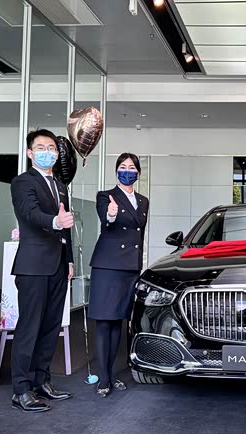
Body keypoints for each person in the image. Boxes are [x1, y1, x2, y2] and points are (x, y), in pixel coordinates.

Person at [10, 129, 74, 413]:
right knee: (29, 327)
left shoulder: (60, 185)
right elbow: (30, 213)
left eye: (51, 148)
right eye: (40, 147)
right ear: (30, 153)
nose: (47, 151)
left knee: (50, 327)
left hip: (58, 265)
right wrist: (55, 222)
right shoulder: (22, 182)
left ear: (57, 154)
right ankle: (21, 390)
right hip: (33, 265)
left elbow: (66, 223)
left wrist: (69, 260)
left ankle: (41, 381)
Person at [88, 153, 149, 397]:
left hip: (130, 268)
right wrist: (111, 214)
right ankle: (104, 378)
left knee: (118, 322)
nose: (127, 171)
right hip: (108, 266)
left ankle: (111, 374)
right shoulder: (106, 196)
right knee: (105, 322)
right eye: (122, 167)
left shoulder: (143, 201)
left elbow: (139, 236)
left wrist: (139, 265)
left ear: (138, 173)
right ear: (116, 171)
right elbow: (106, 222)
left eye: (132, 167)